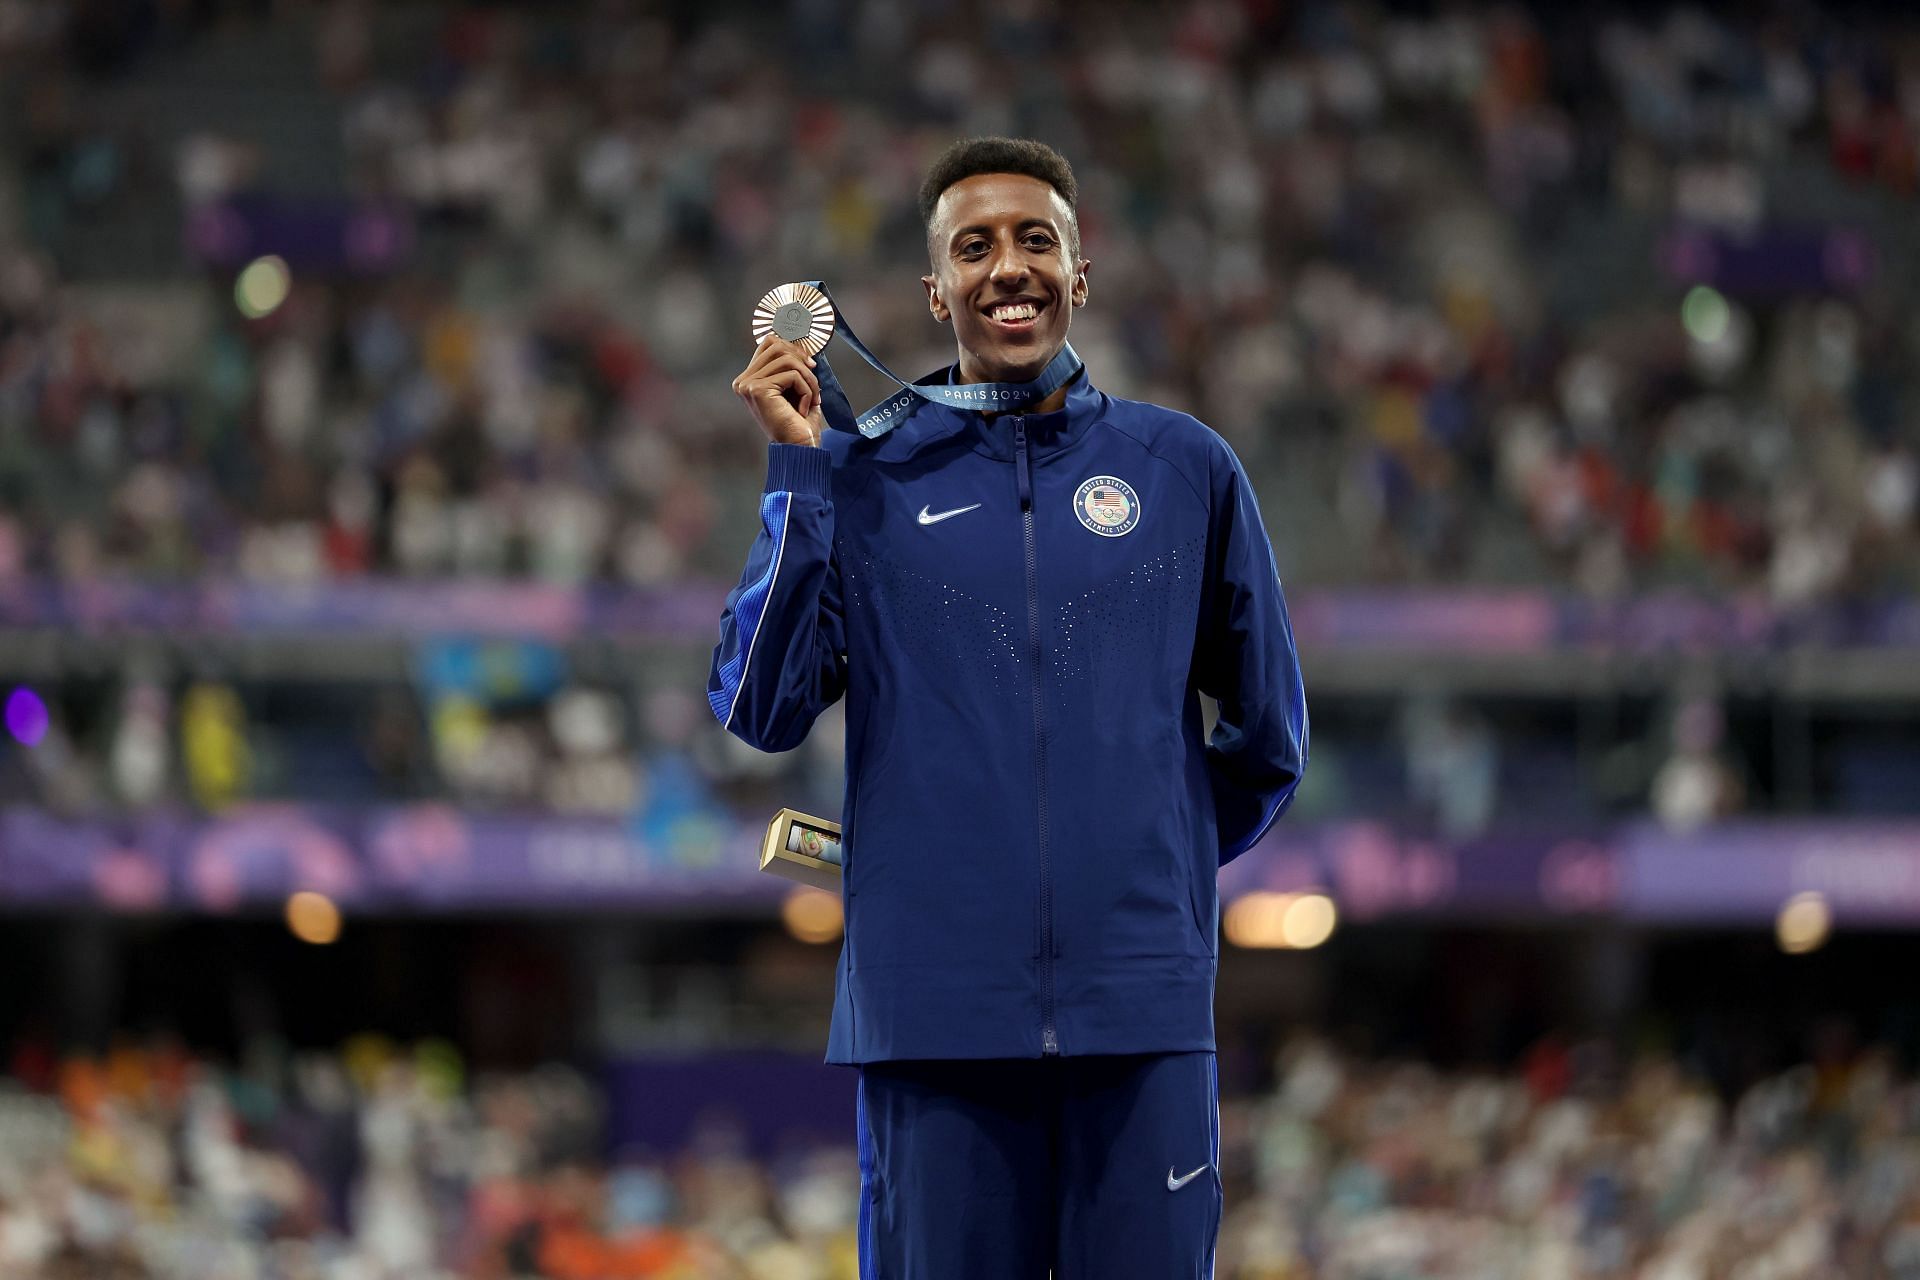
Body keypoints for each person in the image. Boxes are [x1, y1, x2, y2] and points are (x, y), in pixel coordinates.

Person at [709, 137, 1307, 1279]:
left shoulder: (1187, 469)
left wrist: (1139, 873)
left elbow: (1269, 734)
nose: (1008, 266)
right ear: (937, 291)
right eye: (973, 246)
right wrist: (796, 472)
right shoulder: (862, 482)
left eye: (1038, 239)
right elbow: (758, 705)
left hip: (1139, 1015)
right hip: (932, 1017)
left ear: (1080, 275)